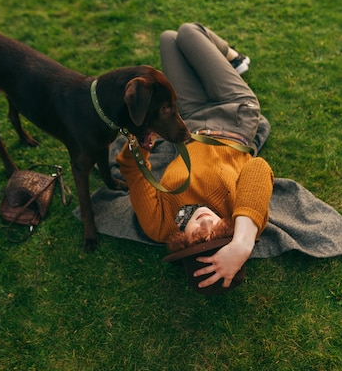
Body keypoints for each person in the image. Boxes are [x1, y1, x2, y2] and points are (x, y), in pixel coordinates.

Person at [116, 23, 274, 294]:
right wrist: (242, 243)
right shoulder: (241, 219)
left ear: (181, 243)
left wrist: (141, 140)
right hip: (235, 114)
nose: (205, 223)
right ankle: (235, 59)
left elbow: (132, 170)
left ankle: (219, 65)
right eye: (215, 233)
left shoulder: (159, 226)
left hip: (190, 120)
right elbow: (258, 169)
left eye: (197, 238)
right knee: (189, 32)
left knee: (168, 39)